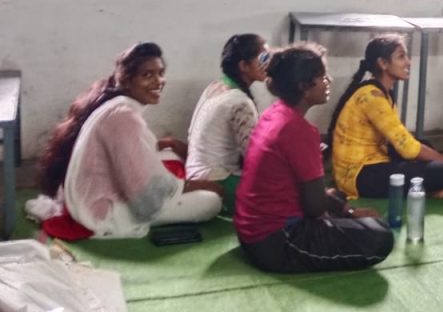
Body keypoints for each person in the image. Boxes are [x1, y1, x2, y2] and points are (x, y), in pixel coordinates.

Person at [35, 42, 223, 239]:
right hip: (101, 211)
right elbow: (145, 193)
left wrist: (166, 146)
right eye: (147, 75)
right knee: (211, 202)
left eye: (161, 73)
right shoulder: (122, 116)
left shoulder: (117, 106)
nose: (159, 81)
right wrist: (198, 185)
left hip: (94, 193)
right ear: (127, 80)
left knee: (170, 153)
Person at [234, 43, 393, 273]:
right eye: (322, 76)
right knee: (380, 237)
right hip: (277, 243)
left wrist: (343, 209)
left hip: (250, 233)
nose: (329, 81)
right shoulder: (298, 129)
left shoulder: (273, 114)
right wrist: (348, 213)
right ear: (303, 86)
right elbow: (315, 207)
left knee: (335, 196)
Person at [329, 35, 443, 199]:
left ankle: (429, 188)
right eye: (401, 57)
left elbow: (402, 143)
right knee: (442, 171)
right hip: (357, 175)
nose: (408, 62)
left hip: (375, 159)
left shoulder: (381, 91)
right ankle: (430, 188)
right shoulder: (372, 97)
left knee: (426, 146)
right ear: (383, 63)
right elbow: (407, 148)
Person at [185, 34, 269, 214]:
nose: (269, 63)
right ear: (244, 66)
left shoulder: (216, 85)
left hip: (194, 172)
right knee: (282, 190)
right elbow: (254, 159)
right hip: (217, 181)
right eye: (263, 58)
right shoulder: (239, 101)